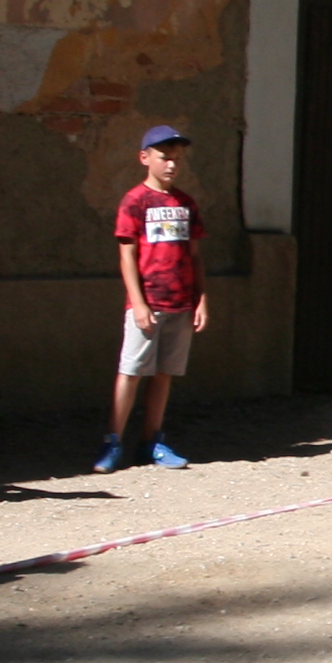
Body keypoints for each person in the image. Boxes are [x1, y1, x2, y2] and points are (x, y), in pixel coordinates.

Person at [98, 126, 207, 473]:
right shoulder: (135, 201)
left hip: (181, 304)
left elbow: (195, 256)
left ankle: (152, 442)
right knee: (130, 372)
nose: (171, 165)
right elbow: (126, 255)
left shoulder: (186, 203)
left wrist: (201, 299)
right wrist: (139, 303)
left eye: (177, 159)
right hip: (148, 303)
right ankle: (112, 442)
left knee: (164, 374)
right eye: (164, 157)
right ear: (145, 158)